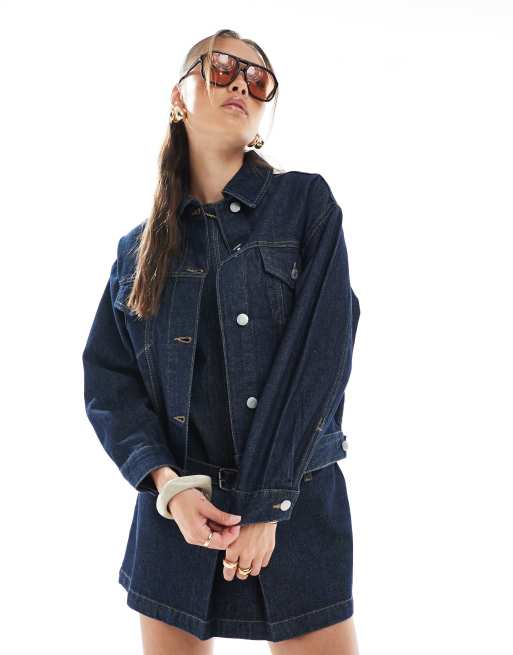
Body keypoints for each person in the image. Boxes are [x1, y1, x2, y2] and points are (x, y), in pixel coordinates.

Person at [82, 28, 361, 654]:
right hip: (178, 518)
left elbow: (321, 357)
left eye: (259, 79)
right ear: (178, 97)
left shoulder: (306, 204)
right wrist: (168, 488)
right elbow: (109, 383)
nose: (241, 84)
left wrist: (265, 505)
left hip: (295, 503)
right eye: (223, 68)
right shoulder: (136, 250)